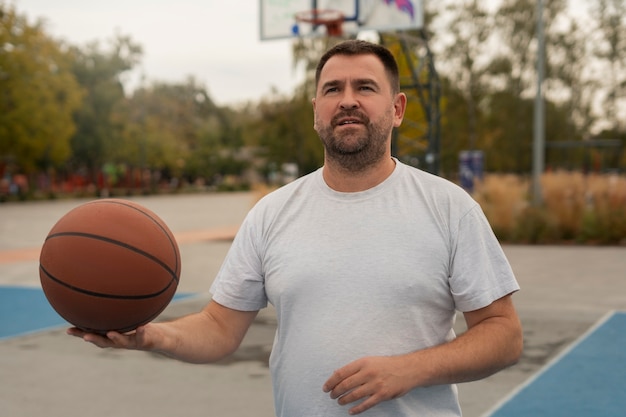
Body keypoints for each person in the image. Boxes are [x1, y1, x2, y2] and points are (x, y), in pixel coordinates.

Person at [69, 40, 523, 416]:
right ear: (316, 110)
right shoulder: (273, 213)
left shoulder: (449, 208)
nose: (347, 99)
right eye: (332, 89)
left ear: (397, 108)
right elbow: (219, 328)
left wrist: (410, 369)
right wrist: (150, 335)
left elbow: (503, 334)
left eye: (365, 87)